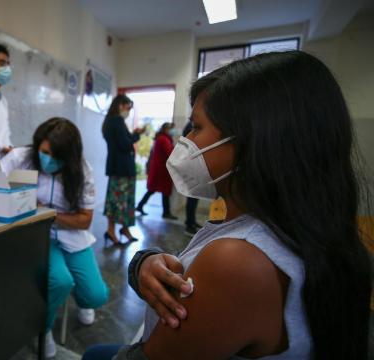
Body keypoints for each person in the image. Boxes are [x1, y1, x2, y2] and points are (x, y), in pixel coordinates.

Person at [83, 51, 371, 359]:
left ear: (253, 142)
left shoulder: (237, 262)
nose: (186, 142)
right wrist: (146, 261)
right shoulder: (306, 227)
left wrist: (138, 265)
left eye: (195, 127)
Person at [1, 118, 109, 358]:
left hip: (72, 235)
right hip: (38, 235)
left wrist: (46, 212)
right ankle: (42, 329)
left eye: (55, 156)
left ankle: (77, 293)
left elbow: (84, 220)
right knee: (60, 281)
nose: (47, 159)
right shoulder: (21, 158)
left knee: (96, 295)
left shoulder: (82, 170)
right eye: (44, 152)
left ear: (69, 157)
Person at [102, 95, 146, 244]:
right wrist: (137, 135)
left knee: (120, 201)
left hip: (119, 167)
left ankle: (121, 229)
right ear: (120, 105)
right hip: (122, 168)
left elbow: (123, 141)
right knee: (119, 202)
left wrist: (133, 135)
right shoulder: (116, 122)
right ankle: (111, 230)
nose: (129, 111)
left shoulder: (110, 121)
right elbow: (125, 144)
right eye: (128, 107)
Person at [136, 122, 178, 220]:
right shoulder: (163, 139)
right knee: (163, 191)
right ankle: (166, 212)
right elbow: (170, 152)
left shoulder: (161, 138)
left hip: (159, 169)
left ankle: (140, 206)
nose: (172, 131)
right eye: (170, 129)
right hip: (161, 171)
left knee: (154, 190)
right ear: (165, 129)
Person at [181, 120, 202, 236]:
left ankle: (191, 221)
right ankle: (189, 225)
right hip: (192, 166)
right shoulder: (192, 127)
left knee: (195, 197)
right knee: (192, 197)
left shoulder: (192, 126)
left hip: (194, 166)